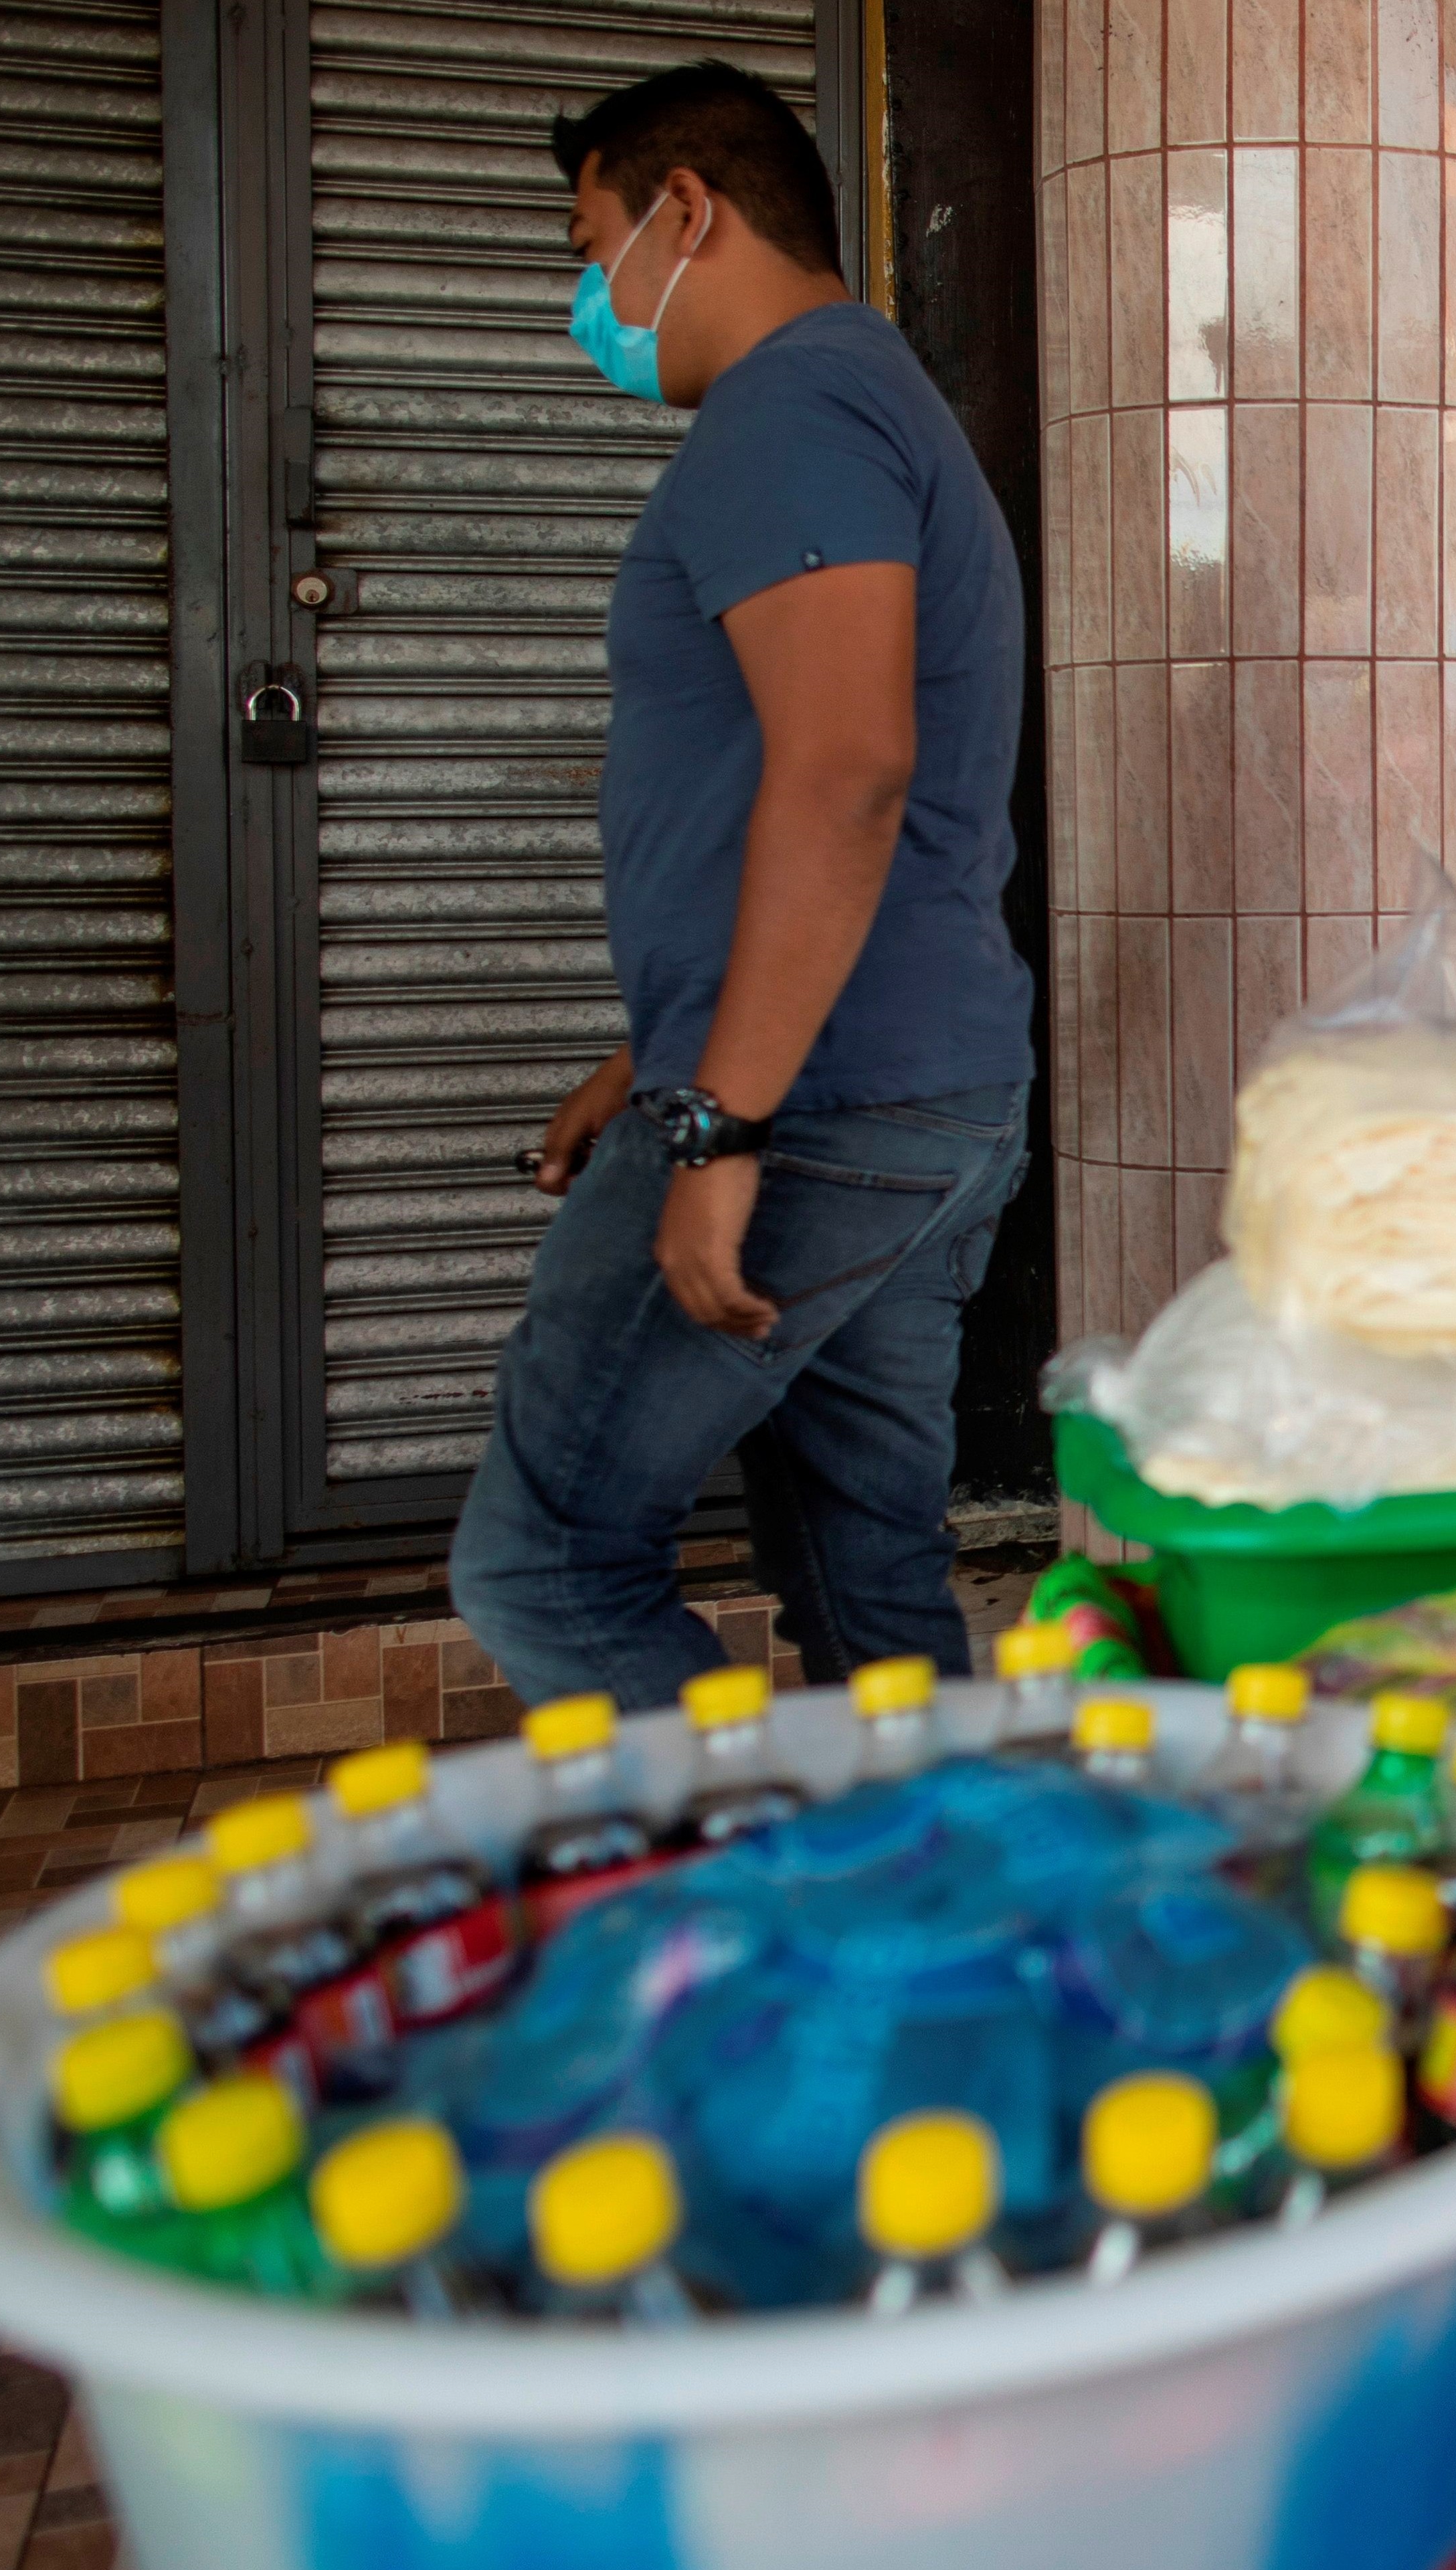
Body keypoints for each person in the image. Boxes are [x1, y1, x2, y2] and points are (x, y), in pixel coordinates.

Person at [449, 62, 1030, 1710]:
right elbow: (805, 799)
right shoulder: (867, 400)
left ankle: (769, 1903)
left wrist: (716, 1119)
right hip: (901, 1086)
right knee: (867, 1582)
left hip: (818, 1108)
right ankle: (936, 1929)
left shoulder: (795, 399)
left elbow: (846, 773)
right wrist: (659, 1055)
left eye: (591, 245)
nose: (587, 301)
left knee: (543, 1561)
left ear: (686, 212)